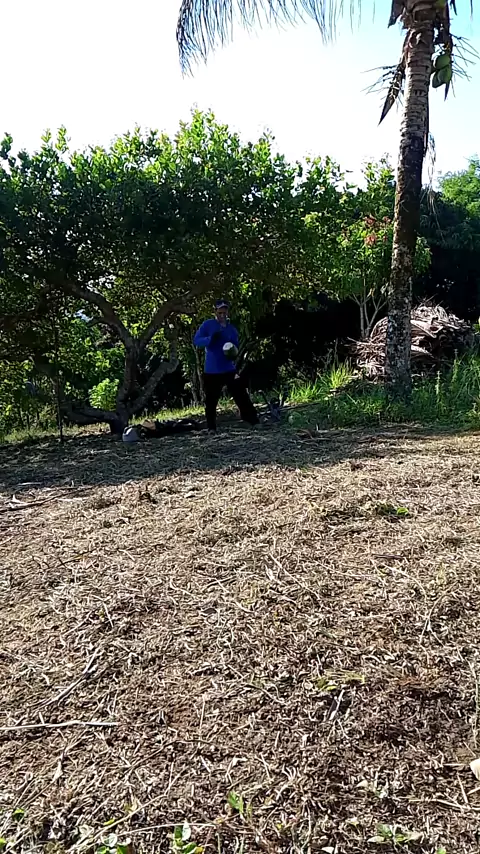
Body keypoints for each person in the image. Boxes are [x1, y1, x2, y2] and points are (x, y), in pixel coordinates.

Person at [194, 299, 259, 433]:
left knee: (241, 394)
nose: (222, 315)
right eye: (220, 312)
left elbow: (236, 347)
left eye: (224, 312)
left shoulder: (231, 329)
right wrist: (210, 339)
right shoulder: (208, 325)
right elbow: (197, 340)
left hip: (228, 368)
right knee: (211, 400)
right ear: (215, 312)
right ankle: (211, 427)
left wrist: (232, 352)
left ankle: (252, 421)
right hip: (212, 370)